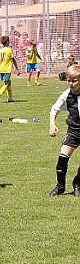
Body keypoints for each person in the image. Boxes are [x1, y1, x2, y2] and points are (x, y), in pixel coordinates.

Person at [49, 65, 80, 197]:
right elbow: (54, 109)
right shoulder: (66, 94)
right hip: (74, 130)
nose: (71, 84)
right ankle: (60, 186)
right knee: (62, 158)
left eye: (74, 81)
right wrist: (52, 125)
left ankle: (77, 183)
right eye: (69, 81)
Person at [0, 36, 21, 103]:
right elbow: (13, 59)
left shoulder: (0, 50)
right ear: (8, 42)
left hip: (2, 69)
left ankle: (10, 98)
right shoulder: (9, 50)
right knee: (7, 84)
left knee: (8, 82)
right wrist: (17, 69)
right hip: (7, 69)